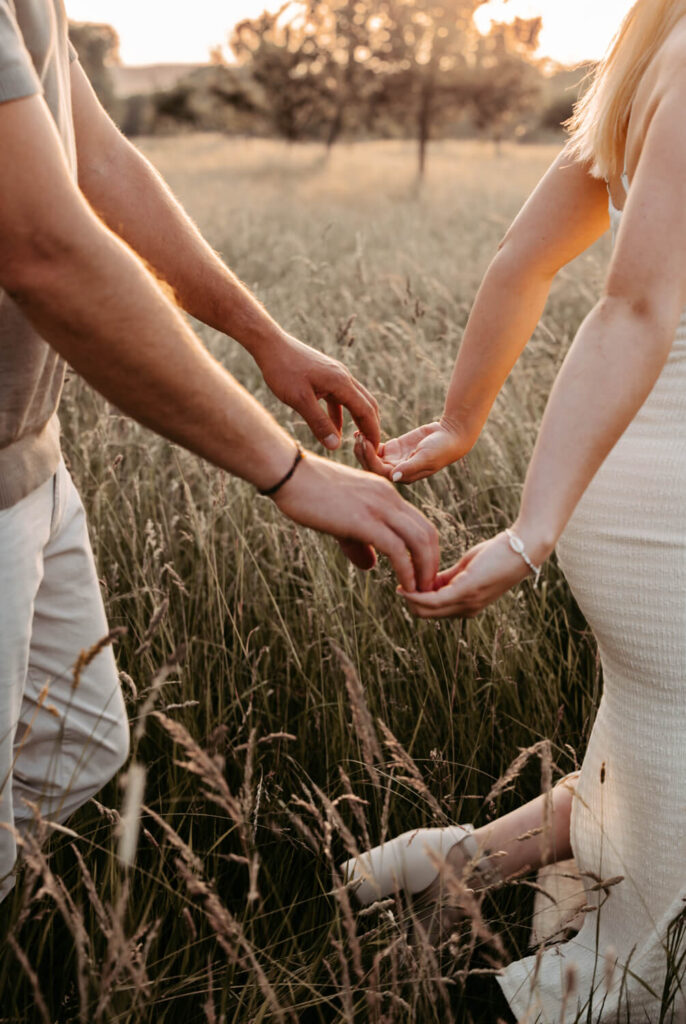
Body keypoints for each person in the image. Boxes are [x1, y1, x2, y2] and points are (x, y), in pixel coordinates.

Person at [0, 0, 440, 903]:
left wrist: (262, 335)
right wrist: (289, 469)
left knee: (80, 748)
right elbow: (43, 245)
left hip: (29, 454)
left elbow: (99, 161)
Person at [345, 0, 686, 1019]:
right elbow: (631, 304)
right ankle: (530, 999)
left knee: (651, 774)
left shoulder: (657, 45)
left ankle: (434, 866)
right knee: (660, 913)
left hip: (629, 491)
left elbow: (520, 255)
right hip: (666, 510)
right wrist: (528, 532)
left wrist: (459, 421)